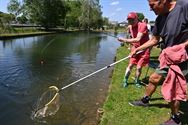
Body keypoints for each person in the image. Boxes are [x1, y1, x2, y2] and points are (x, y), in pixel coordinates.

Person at [129, 0, 188, 125]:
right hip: (168, 58)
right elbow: (155, 39)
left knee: (173, 87)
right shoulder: (160, 18)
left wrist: (182, 46)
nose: (150, 9)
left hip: (183, 58)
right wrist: (138, 49)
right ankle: (145, 100)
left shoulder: (184, 6)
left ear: (164, 1)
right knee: (154, 78)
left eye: (152, 5)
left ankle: (176, 119)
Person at [118, 12, 150, 88]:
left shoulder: (143, 25)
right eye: (129, 20)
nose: (130, 22)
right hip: (135, 49)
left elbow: (138, 39)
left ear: (136, 19)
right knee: (131, 65)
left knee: (139, 67)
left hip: (144, 49)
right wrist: (130, 46)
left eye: (132, 20)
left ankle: (136, 81)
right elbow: (131, 37)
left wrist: (124, 40)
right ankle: (125, 80)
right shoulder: (130, 27)